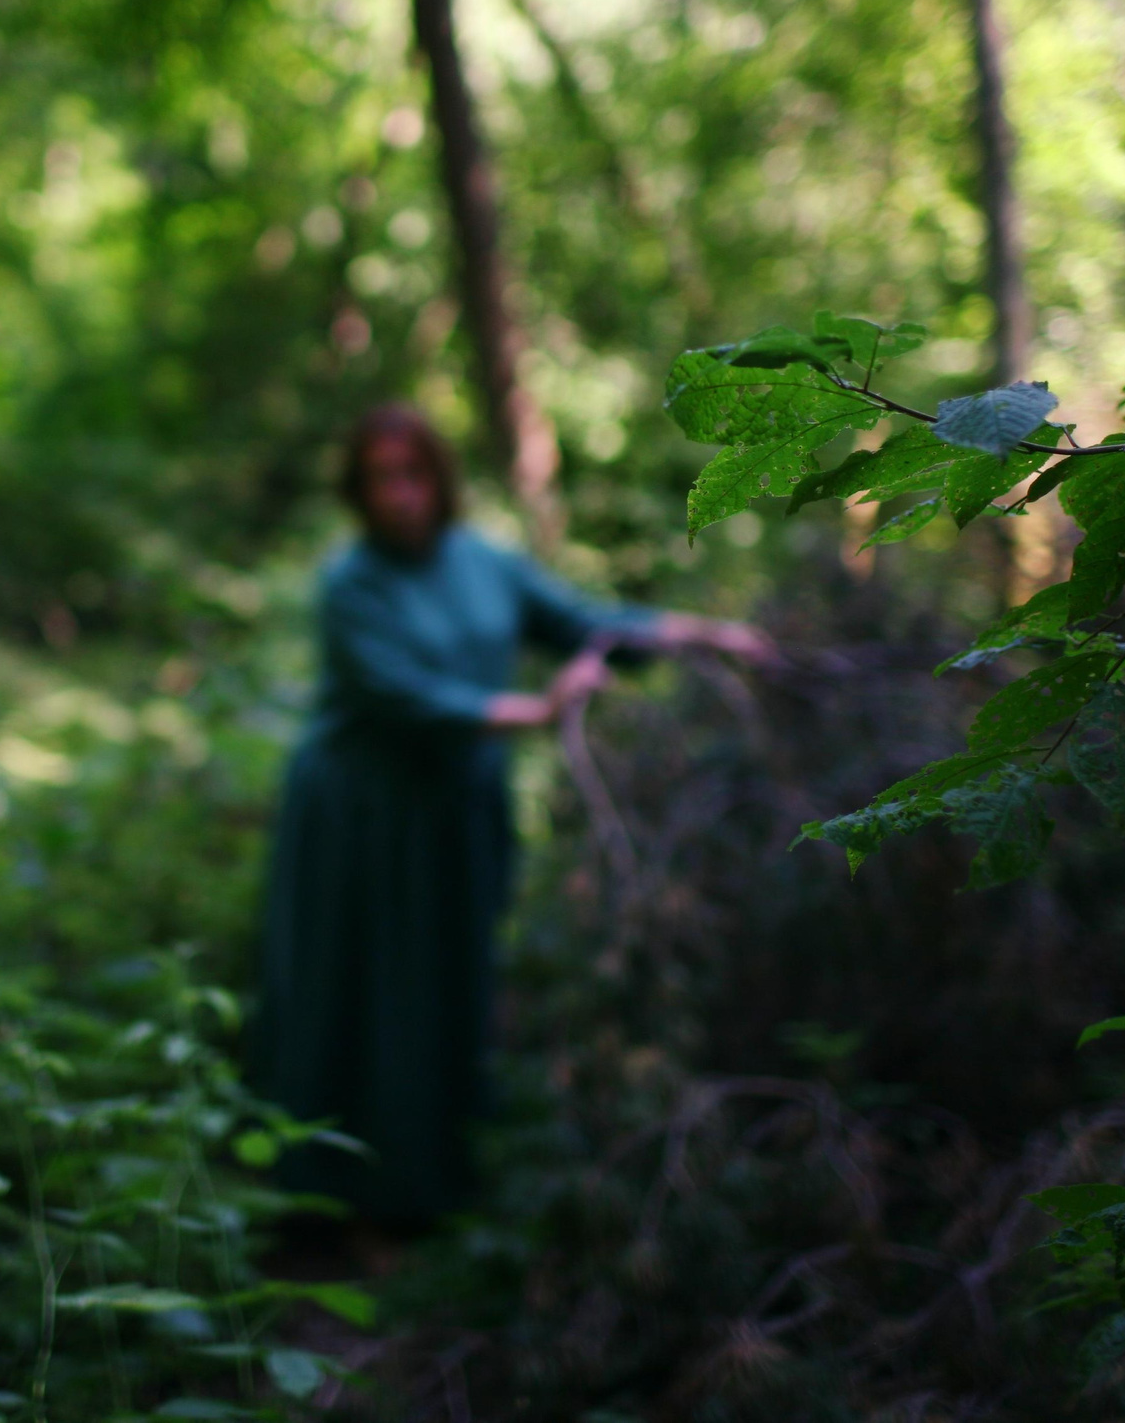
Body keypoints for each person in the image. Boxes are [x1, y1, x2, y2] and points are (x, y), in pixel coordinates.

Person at [251, 403, 774, 1228]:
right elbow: (404, 697)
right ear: (357, 491)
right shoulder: (350, 584)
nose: (401, 495)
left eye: (414, 473)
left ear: (441, 478)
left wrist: (707, 635)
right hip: (360, 819)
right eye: (381, 478)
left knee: (454, 990)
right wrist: (536, 711)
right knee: (363, 998)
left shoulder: (483, 561)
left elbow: (587, 621)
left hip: (456, 813)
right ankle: (339, 1206)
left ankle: (442, 1189)